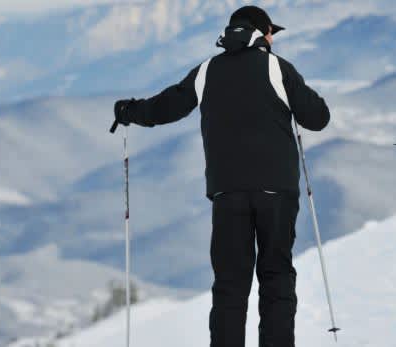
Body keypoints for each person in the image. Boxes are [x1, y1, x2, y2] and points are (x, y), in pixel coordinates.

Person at [111, 6, 330, 347]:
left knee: (230, 285)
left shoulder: (207, 70)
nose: (273, 39)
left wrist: (130, 111)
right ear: (263, 33)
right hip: (277, 192)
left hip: (227, 193)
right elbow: (318, 118)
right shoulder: (277, 67)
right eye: (272, 33)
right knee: (276, 277)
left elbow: (166, 107)